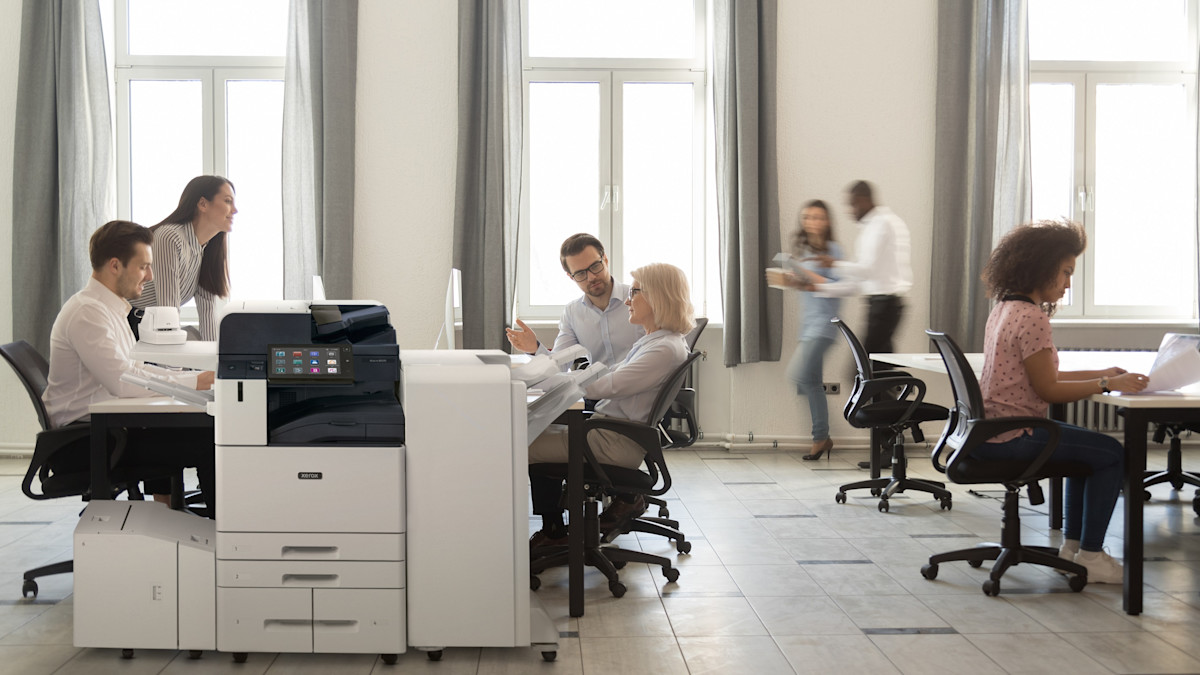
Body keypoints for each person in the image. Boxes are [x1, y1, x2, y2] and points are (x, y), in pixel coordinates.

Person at [978, 220, 1147, 583]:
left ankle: (1073, 548)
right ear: (1042, 266)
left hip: (993, 432)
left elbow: (1043, 378)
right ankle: (1090, 553)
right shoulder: (1032, 317)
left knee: (1088, 448)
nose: (1069, 283)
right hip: (1017, 436)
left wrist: (1100, 374)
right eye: (1066, 272)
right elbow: (1049, 391)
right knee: (1110, 453)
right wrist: (1105, 384)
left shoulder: (1005, 308)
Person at [43, 220, 218, 514]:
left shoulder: (109, 309)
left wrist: (193, 379)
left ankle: (192, 524)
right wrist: (191, 383)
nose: (149, 276)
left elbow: (136, 371)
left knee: (197, 427)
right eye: (143, 266)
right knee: (210, 437)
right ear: (115, 266)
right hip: (88, 442)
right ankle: (221, 536)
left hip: (105, 432)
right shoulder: (89, 313)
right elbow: (123, 383)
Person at [527, 263, 694, 549]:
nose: (627, 300)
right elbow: (607, 376)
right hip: (610, 433)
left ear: (657, 296)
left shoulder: (663, 348)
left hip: (613, 442)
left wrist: (541, 379)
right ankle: (555, 527)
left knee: (523, 445)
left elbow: (603, 386)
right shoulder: (655, 341)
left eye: (634, 293)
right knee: (536, 430)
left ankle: (554, 533)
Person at [806, 181, 913, 468]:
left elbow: (864, 269)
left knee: (866, 375)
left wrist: (833, 264)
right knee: (874, 376)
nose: (850, 210)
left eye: (852, 204)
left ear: (864, 199)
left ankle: (893, 433)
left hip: (885, 306)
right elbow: (858, 281)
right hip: (879, 305)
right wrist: (820, 285)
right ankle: (889, 443)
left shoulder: (881, 225)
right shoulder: (874, 227)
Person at [767, 200, 843, 461]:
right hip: (808, 325)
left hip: (824, 325)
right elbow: (811, 287)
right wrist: (791, 280)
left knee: (798, 376)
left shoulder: (833, 251)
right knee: (811, 384)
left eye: (818, 217)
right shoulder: (806, 250)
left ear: (827, 222)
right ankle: (821, 438)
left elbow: (835, 285)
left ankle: (821, 437)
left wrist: (802, 274)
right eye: (807, 217)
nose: (812, 222)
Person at [506, 233, 644, 369]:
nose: (591, 278)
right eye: (580, 274)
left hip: (639, 386)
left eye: (595, 266)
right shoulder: (573, 313)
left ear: (605, 260)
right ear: (571, 277)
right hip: (599, 389)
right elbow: (558, 366)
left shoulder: (641, 297)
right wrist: (533, 348)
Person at [130, 175, 236, 342]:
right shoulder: (170, 237)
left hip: (155, 329)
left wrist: (215, 364)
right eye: (228, 201)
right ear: (203, 204)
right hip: (130, 328)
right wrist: (172, 368)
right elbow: (168, 312)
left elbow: (208, 314)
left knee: (196, 342)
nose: (235, 210)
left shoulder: (206, 250)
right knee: (188, 342)